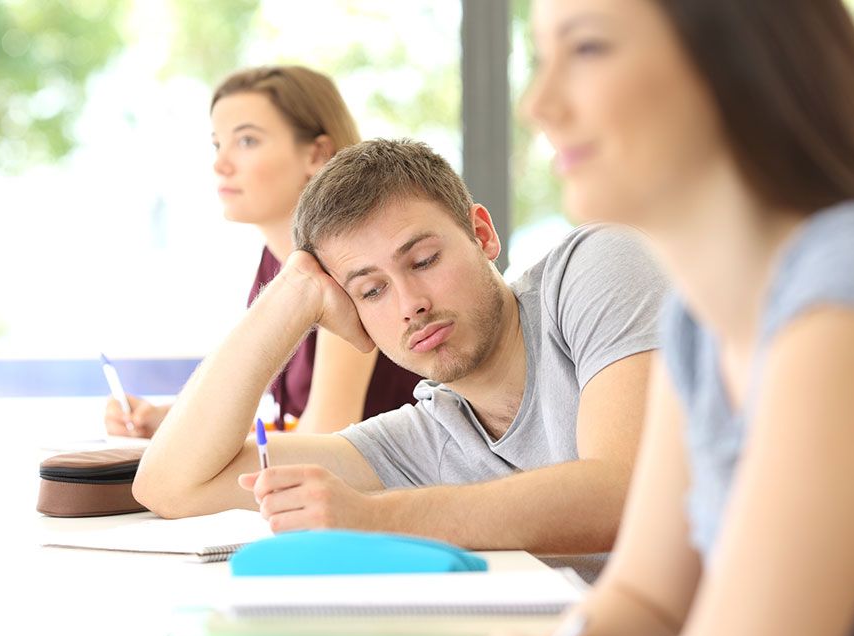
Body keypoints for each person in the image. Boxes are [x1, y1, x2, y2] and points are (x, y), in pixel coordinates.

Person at [457, 0, 854, 636]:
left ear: (737, 57)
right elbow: (647, 600)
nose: (537, 104)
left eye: (588, 49)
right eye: (542, 58)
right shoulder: (697, 319)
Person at [132, 138, 669, 580]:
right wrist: (289, 296)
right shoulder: (421, 438)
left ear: (481, 234)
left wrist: (371, 516)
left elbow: (624, 491)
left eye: (424, 260)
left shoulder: (595, 267)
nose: (411, 303)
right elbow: (171, 485)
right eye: (370, 292)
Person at [105, 65, 421, 436]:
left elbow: (326, 437)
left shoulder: (346, 268)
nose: (220, 164)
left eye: (247, 141)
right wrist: (168, 421)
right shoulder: (279, 263)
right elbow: (270, 407)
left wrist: (188, 444)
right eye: (217, 144)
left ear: (317, 154)